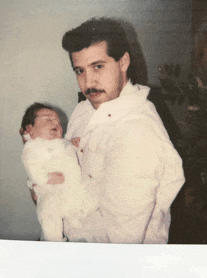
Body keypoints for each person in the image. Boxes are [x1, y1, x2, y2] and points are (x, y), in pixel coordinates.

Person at [60, 17, 185, 243]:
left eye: (98, 66)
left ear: (124, 61)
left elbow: (118, 241)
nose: (88, 82)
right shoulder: (83, 110)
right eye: (79, 70)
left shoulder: (137, 133)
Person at [20, 103, 97, 241]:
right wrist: (46, 178)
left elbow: (73, 153)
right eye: (48, 119)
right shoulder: (33, 147)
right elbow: (32, 167)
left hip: (73, 187)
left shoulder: (63, 143)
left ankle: (76, 222)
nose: (55, 123)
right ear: (29, 130)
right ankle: (54, 240)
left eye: (58, 122)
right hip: (51, 190)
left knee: (88, 198)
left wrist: (76, 144)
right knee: (49, 211)